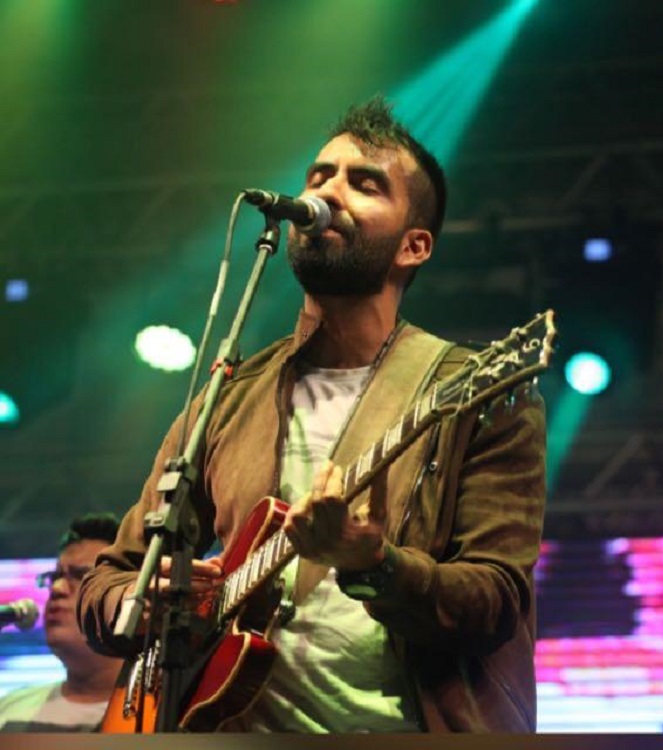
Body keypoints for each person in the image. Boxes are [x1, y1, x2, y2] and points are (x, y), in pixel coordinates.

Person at [77, 95, 547, 733]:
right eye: (319, 176)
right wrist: (140, 598)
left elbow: (496, 602)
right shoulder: (229, 395)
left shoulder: (475, 392)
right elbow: (110, 579)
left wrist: (373, 565)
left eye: (365, 184)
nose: (327, 192)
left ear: (414, 246)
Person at [0, 513, 122, 732]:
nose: (57, 588)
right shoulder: (8, 710)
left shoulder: (164, 716)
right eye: (55, 577)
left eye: (81, 575)